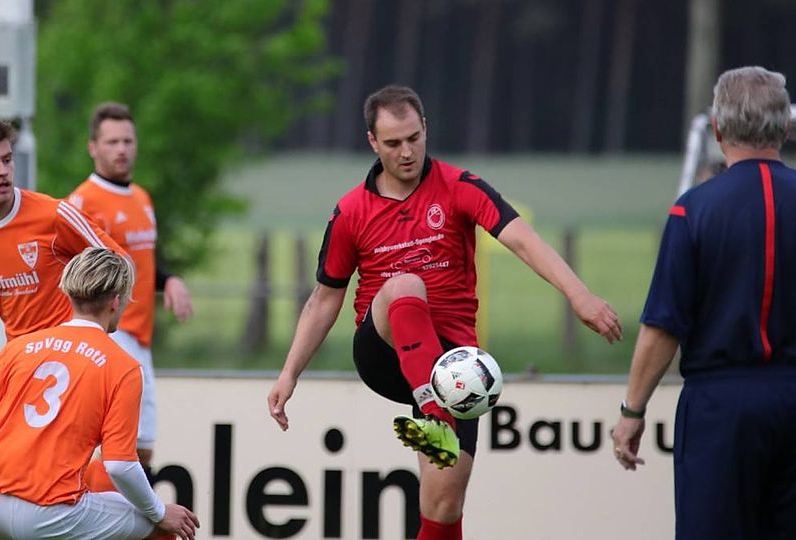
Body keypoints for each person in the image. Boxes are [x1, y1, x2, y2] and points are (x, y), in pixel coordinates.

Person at [267, 85, 622, 539]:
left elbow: (522, 240)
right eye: (393, 143)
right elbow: (324, 299)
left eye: (413, 138)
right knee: (405, 285)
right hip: (383, 353)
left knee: (444, 506)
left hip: (452, 362)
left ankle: (437, 416)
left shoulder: (459, 187)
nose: (407, 152)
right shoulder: (352, 211)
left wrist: (579, 295)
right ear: (373, 142)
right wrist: (289, 373)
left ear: (425, 129)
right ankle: (434, 411)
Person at [611, 66, 796, 540]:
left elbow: (663, 327)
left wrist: (632, 412)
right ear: (785, 128)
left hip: (719, 407)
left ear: (718, 129)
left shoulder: (692, 211)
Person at [0, 247, 200, 540]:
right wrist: (160, 513)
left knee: (102, 489)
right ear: (116, 301)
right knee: (162, 526)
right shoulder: (123, 367)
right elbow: (120, 465)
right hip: (51, 513)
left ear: (69, 294)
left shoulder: (19, 348)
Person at [0, 115, 125, 385]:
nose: (2, 171)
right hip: (20, 361)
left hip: (72, 362)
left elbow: (120, 263)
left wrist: (104, 325)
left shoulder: (55, 215)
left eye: (7, 160)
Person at [68, 102, 193, 468]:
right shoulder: (83, 203)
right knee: (114, 449)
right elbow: (75, 275)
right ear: (93, 148)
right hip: (108, 334)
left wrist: (168, 280)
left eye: (127, 141)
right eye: (112, 142)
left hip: (139, 336)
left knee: (142, 448)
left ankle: (118, 507)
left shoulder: (141, 197)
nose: (121, 149)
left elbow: (139, 259)